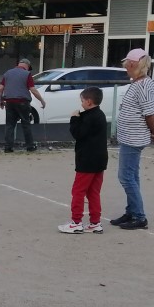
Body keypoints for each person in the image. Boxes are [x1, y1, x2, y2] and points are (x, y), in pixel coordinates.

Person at [111, 48, 154, 230]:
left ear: (133, 64)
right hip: (130, 137)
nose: (125, 68)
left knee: (125, 177)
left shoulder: (144, 85)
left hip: (134, 138)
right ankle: (132, 211)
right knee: (131, 176)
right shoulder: (138, 83)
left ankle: (139, 216)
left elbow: (150, 113)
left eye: (127, 65)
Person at [58, 87, 107, 234]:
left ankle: (76, 222)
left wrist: (74, 118)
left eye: (82, 101)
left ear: (89, 101)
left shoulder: (90, 117)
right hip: (99, 160)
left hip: (87, 160)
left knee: (78, 191)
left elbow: (78, 133)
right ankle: (95, 223)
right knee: (93, 192)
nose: (81, 104)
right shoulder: (99, 114)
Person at [0, 57, 45, 152]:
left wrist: (1, 100)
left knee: (10, 125)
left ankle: (8, 147)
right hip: (23, 102)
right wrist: (41, 100)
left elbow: (0, 88)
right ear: (27, 66)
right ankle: (30, 146)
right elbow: (33, 90)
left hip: (10, 102)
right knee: (26, 124)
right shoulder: (27, 74)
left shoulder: (7, 73)